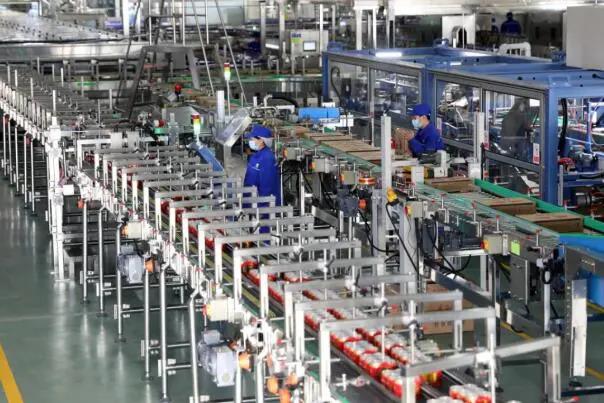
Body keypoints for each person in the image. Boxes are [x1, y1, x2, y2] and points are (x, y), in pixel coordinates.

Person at [243, 124, 282, 207]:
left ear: (261, 140)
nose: (250, 141)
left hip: (262, 206)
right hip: (251, 201)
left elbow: (267, 186)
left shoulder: (267, 158)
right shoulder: (257, 155)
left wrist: (262, 208)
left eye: (252, 139)